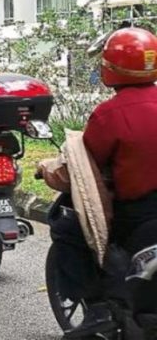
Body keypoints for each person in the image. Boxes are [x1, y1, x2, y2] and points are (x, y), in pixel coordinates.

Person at [79, 27, 157, 338]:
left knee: (72, 230)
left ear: (110, 68)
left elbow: (90, 163)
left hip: (138, 213)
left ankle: (102, 311)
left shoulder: (109, 113)